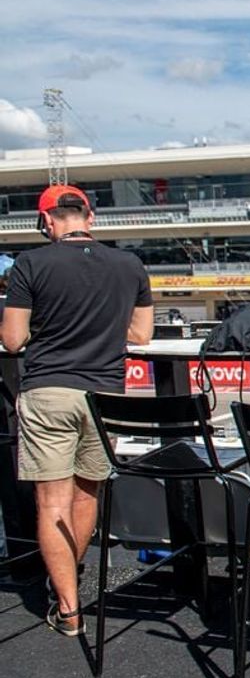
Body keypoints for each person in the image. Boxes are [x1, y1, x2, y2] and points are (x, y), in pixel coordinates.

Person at [1, 185, 153, 636]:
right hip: (106, 394)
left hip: (49, 391)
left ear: (46, 221)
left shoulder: (30, 264)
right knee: (87, 494)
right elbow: (142, 336)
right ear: (90, 216)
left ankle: (68, 609)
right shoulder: (129, 265)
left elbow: (12, 340)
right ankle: (71, 570)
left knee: (52, 501)